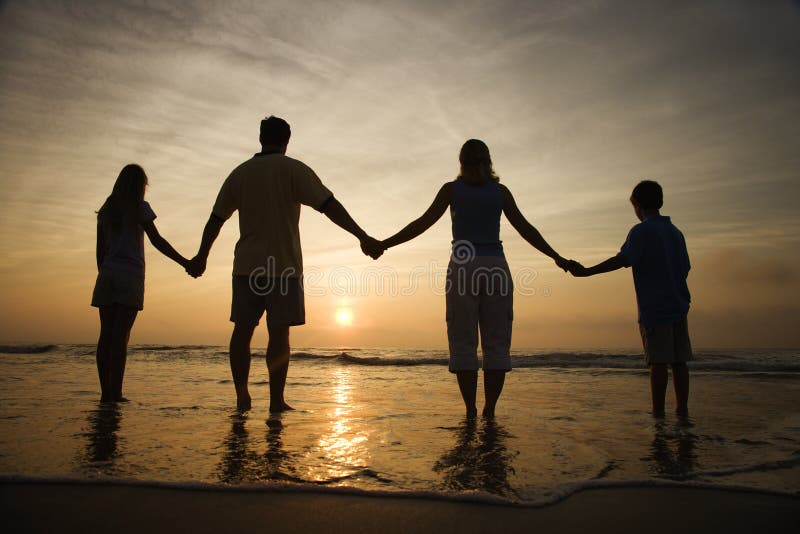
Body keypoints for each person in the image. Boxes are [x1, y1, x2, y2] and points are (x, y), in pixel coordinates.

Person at [186, 116, 381, 412]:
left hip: (246, 268)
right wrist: (362, 236)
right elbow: (329, 206)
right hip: (284, 268)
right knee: (279, 335)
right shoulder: (293, 170)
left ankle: (242, 395)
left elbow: (216, 220)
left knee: (242, 330)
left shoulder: (240, 173)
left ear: (261, 138)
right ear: (287, 141)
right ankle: (276, 400)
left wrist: (202, 256)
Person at [366, 139, 571, 418]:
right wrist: (556, 256)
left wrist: (384, 244)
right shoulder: (500, 192)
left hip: (463, 266)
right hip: (496, 266)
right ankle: (490, 410)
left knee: (463, 341)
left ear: (460, 162)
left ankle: (471, 410)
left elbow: (421, 223)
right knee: (496, 342)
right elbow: (526, 228)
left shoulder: (452, 190)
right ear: (489, 161)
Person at [568, 180, 691, 418]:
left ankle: (658, 414)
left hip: (655, 308)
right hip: (679, 305)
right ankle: (682, 411)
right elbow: (685, 267)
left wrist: (587, 272)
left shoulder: (641, 231)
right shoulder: (675, 232)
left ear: (637, 205)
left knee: (657, 362)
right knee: (679, 362)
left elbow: (623, 259)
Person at [92, 164, 189, 402]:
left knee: (106, 335)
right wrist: (185, 262)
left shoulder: (107, 209)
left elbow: (99, 250)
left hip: (107, 274)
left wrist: (104, 273)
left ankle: (106, 392)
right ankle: (116, 392)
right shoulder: (139, 208)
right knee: (121, 336)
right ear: (140, 186)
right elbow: (157, 240)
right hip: (130, 275)